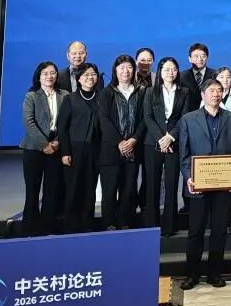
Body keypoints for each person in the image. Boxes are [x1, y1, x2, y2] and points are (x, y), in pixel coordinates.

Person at [179, 78, 231, 289]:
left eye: (219, 90)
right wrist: (188, 176)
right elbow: (184, 154)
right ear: (203, 95)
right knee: (195, 231)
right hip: (198, 184)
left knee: (219, 230)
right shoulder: (189, 119)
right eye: (211, 91)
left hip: (223, 185)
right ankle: (192, 275)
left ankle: (215, 274)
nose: (216, 94)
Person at [141, 56, 189, 235]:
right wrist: (162, 138)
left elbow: (184, 117)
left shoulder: (184, 92)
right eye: (167, 69)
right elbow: (148, 117)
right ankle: (151, 226)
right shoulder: (149, 92)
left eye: (174, 69)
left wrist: (171, 137)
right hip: (152, 143)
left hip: (174, 143)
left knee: (171, 184)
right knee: (152, 184)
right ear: (160, 72)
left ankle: (170, 226)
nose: (170, 72)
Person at [97, 54, 145, 230]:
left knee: (128, 189)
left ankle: (125, 221)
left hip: (133, 148)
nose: (126, 71)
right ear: (115, 71)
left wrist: (133, 140)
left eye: (129, 67)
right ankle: (109, 223)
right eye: (122, 68)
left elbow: (144, 119)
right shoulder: (107, 92)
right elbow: (104, 120)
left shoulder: (141, 92)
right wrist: (119, 142)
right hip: (111, 149)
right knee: (110, 189)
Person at [20, 61, 67, 236]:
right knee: (32, 190)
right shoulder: (31, 96)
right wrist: (44, 144)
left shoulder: (64, 95)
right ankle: (29, 228)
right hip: (34, 149)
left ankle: (48, 227)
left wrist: (57, 142)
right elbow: (29, 123)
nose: (49, 76)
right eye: (45, 73)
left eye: (53, 73)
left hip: (56, 147)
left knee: (52, 190)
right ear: (38, 76)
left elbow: (67, 123)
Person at [58, 62, 101, 233]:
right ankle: (71, 223)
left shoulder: (102, 98)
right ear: (79, 79)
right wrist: (65, 152)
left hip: (95, 149)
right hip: (75, 149)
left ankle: (87, 221)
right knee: (74, 186)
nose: (90, 78)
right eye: (86, 75)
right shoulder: (70, 99)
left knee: (90, 186)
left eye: (93, 75)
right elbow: (62, 128)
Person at [178, 43, 215, 113]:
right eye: (196, 56)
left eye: (203, 56)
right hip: (188, 115)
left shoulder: (215, 75)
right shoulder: (181, 76)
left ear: (207, 57)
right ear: (190, 59)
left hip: (210, 113)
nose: (200, 59)